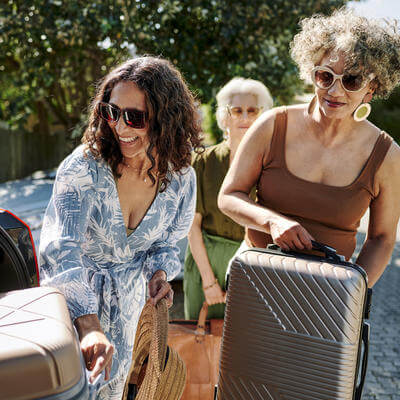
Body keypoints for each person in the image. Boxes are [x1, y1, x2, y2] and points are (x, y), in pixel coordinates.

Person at [39, 56, 202, 399]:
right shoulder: (84, 167)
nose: (121, 127)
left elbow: (168, 244)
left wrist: (159, 274)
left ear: (166, 119)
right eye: (111, 112)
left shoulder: (180, 176)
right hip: (70, 309)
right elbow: (59, 251)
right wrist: (88, 325)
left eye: (135, 117)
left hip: (127, 313)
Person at [218, 9, 400, 288]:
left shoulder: (387, 155)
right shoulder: (272, 125)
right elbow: (229, 196)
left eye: (351, 80)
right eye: (325, 77)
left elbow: (382, 239)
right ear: (312, 73)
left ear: (371, 87)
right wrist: (272, 222)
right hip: (257, 275)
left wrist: (353, 291)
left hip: (329, 289)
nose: (335, 92)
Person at [184, 77, 273, 319]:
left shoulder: (272, 167)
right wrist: (209, 281)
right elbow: (192, 227)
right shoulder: (203, 162)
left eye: (252, 110)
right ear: (225, 116)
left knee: (243, 349)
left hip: (251, 265)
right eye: (237, 110)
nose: (245, 117)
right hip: (205, 264)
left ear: (262, 115)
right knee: (201, 347)